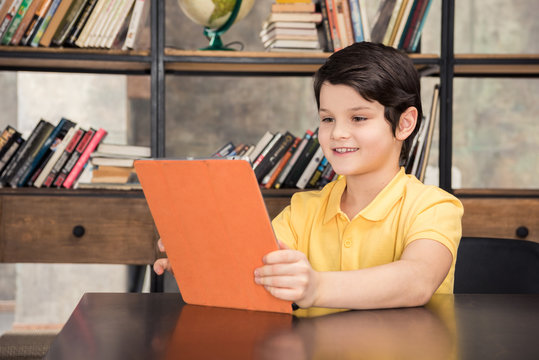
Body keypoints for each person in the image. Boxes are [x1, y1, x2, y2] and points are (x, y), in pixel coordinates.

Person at [155, 42, 463, 310]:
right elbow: (257, 272)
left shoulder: (434, 207)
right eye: (328, 118)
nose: (338, 133)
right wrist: (201, 260)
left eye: (358, 118)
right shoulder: (302, 211)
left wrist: (316, 288)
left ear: (404, 124)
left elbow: (417, 280)